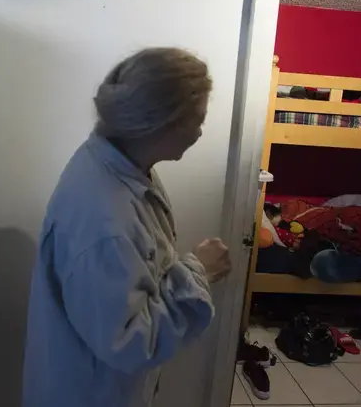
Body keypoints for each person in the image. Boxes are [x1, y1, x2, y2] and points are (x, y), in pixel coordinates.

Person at [22, 48, 231, 407]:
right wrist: (199, 273)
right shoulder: (105, 220)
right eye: (198, 119)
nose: (200, 131)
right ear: (165, 123)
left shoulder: (118, 162)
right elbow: (133, 341)